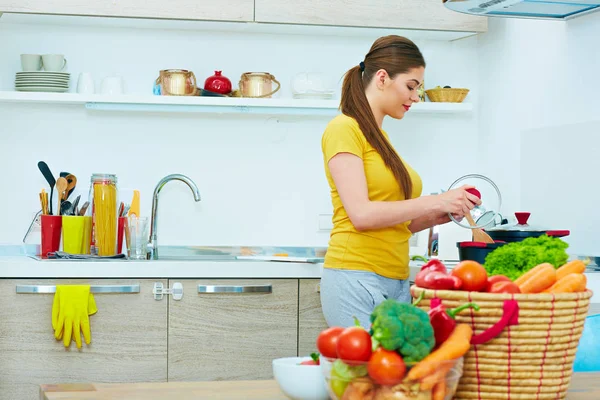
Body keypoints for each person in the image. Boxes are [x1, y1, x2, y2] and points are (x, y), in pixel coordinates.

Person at [320, 35, 481, 329]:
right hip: (356, 277)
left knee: (399, 374)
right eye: (411, 86)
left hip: (395, 279)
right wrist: (437, 199)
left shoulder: (381, 139)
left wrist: (442, 213)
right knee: (372, 373)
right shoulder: (344, 128)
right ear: (382, 78)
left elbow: (398, 224)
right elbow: (362, 215)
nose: (415, 97)